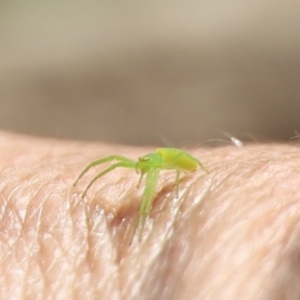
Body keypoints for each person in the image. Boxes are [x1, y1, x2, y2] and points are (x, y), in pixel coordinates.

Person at [0, 131, 299, 299]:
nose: (141, 167)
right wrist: (86, 181)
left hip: (184, 164)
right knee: (115, 164)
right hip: (173, 160)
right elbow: (110, 162)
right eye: (142, 163)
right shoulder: (142, 164)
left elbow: (174, 172)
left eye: (145, 165)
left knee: (148, 198)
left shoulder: (159, 168)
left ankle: (142, 228)